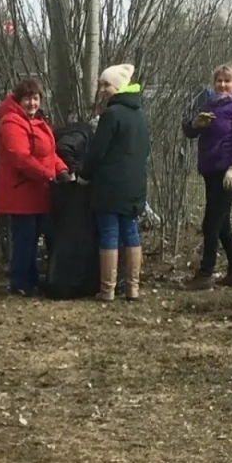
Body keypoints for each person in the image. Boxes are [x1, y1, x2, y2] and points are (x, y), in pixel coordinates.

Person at [0, 77, 71, 296]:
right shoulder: (11, 123)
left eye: (36, 98)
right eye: (28, 99)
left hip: (38, 190)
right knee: (24, 239)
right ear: (18, 100)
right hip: (20, 191)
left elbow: (49, 154)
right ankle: (20, 283)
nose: (32, 103)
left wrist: (62, 170)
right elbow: (20, 158)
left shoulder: (38, 121)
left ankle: (32, 279)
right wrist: (48, 175)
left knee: (33, 237)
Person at [182, 62, 232, 289]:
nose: (222, 85)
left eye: (227, 81)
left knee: (211, 224)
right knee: (222, 225)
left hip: (227, 173)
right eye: (219, 81)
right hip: (210, 171)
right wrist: (195, 124)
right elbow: (190, 132)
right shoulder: (211, 104)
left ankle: (206, 273)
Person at [80, 64, 150, 302]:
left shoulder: (111, 114)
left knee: (109, 232)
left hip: (110, 185)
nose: (102, 89)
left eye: (106, 85)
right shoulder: (140, 114)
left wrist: (84, 175)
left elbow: (98, 151)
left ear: (118, 87)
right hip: (135, 184)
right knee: (131, 231)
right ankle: (133, 288)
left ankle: (107, 289)